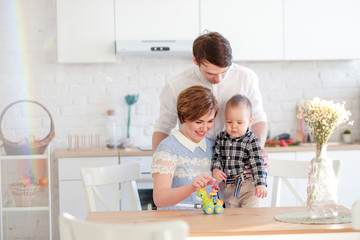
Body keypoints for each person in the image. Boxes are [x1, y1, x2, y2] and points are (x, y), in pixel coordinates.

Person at [152, 32, 268, 162]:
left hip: (235, 157)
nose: (218, 79)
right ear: (196, 60)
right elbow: (163, 127)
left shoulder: (246, 78)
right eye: (210, 73)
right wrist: (159, 162)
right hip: (193, 159)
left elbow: (258, 118)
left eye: (224, 72)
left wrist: (257, 150)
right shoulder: (176, 85)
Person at [151, 86, 219, 209]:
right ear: (183, 118)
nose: (204, 128)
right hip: (177, 221)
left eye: (210, 121)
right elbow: (159, 199)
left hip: (208, 219)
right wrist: (192, 187)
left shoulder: (213, 146)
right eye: (198, 122)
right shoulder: (168, 148)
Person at [212, 94, 267, 208]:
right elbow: (217, 156)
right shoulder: (221, 138)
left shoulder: (251, 140)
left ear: (249, 121)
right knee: (232, 216)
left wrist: (260, 183)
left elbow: (257, 163)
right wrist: (216, 169)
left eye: (239, 122)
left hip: (248, 186)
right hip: (229, 187)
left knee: (249, 216)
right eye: (229, 122)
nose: (234, 126)